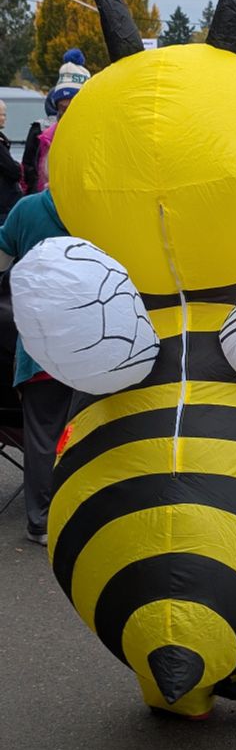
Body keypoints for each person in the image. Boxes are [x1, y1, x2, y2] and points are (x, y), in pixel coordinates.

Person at [0, 189, 71, 544]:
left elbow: (2, 258)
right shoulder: (104, 208)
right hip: (97, 341)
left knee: (43, 434)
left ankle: (41, 521)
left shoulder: (27, 209)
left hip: (39, 341)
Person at [30, 49, 90, 192]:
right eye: (62, 107)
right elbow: (32, 173)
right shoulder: (46, 136)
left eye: (71, 106)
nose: (66, 112)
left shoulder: (97, 134)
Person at [0, 101, 23, 223]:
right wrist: (18, 167)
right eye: (1, 115)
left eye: (4, 115)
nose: (4, 118)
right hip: (4, 205)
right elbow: (13, 171)